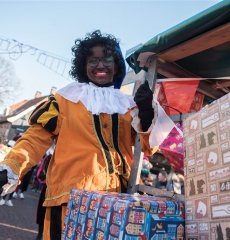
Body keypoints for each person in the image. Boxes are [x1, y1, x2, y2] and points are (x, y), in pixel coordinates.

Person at [0, 30, 157, 240]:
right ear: (83, 65)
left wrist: (147, 114)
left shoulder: (128, 104)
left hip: (117, 201)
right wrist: (11, 167)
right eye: (93, 60)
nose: (100, 65)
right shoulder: (64, 99)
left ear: (117, 64)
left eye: (107, 59)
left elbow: (148, 147)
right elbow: (34, 140)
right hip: (70, 200)